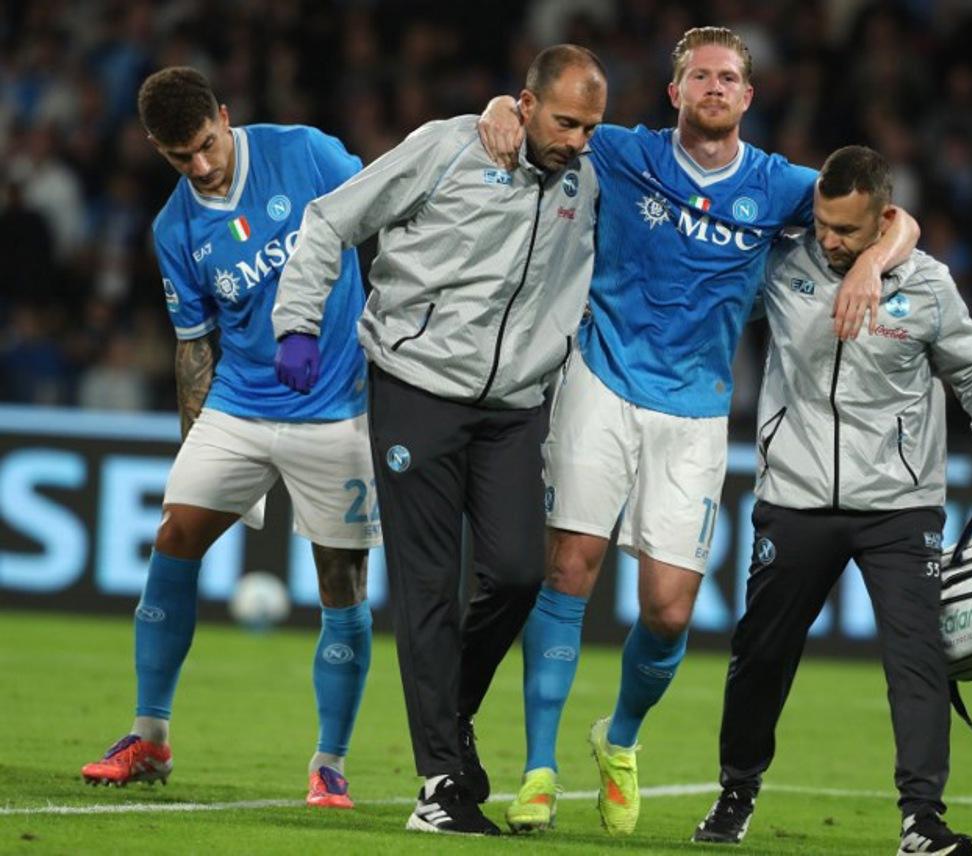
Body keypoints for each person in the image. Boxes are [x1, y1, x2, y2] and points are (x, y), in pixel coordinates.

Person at [476, 27, 920, 836]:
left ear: (748, 98)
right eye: (699, 76)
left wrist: (867, 264)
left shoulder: (782, 185)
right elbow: (542, 118)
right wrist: (503, 106)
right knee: (568, 567)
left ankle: (618, 740)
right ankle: (538, 769)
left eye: (728, 78)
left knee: (671, 611)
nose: (714, 87)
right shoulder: (620, 153)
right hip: (600, 379)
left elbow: (898, 220)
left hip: (697, 409)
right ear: (675, 91)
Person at [272, 45, 607, 836]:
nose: (579, 140)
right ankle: (442, 784)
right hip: (416, 388)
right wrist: (296, 320)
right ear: (523, 106)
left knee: (521, 574)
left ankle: (447, 714)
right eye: (565, 122)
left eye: (592, 127)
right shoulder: (448, 147)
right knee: (428, 584)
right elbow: (331, 220)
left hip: (516, 404)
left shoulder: (588, 179)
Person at [690, 146, 972, 854]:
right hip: (797, 497)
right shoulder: (785, 265)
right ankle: (736, 790)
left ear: (884, 220)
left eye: (847, 231)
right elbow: (709, 290)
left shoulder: (928, 286)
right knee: (761, 652)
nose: (831, 241)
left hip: (899, 505)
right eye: (823, 225)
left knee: (918, 659)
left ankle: (922, 820)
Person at [80, 67, 379, 810]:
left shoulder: (305, 152)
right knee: (176, 531)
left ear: (224, 114)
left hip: (336, 405)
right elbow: (194, 344)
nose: (202, 167)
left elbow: (390, 208)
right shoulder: (174, 228)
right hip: (240, 404)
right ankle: (150, 736)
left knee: (341, 583)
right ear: (158, 148)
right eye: (181, 157)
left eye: (207, 145)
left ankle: (330, 763)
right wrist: (194, 444)